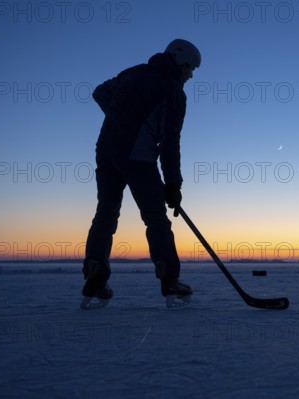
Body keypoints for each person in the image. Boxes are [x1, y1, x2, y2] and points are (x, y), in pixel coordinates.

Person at [81, 39, 201, 308]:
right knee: (156, 218)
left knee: (105, 214)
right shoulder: (173, 92)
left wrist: (121, 117)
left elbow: (101, 92)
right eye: (190, 69)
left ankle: (95, 276)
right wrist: (173, 184)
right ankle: (170, 279)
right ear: (181, 64)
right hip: (138, 157)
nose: (190, 75)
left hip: (106, 150)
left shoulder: (133, 72)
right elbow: (171, 143)